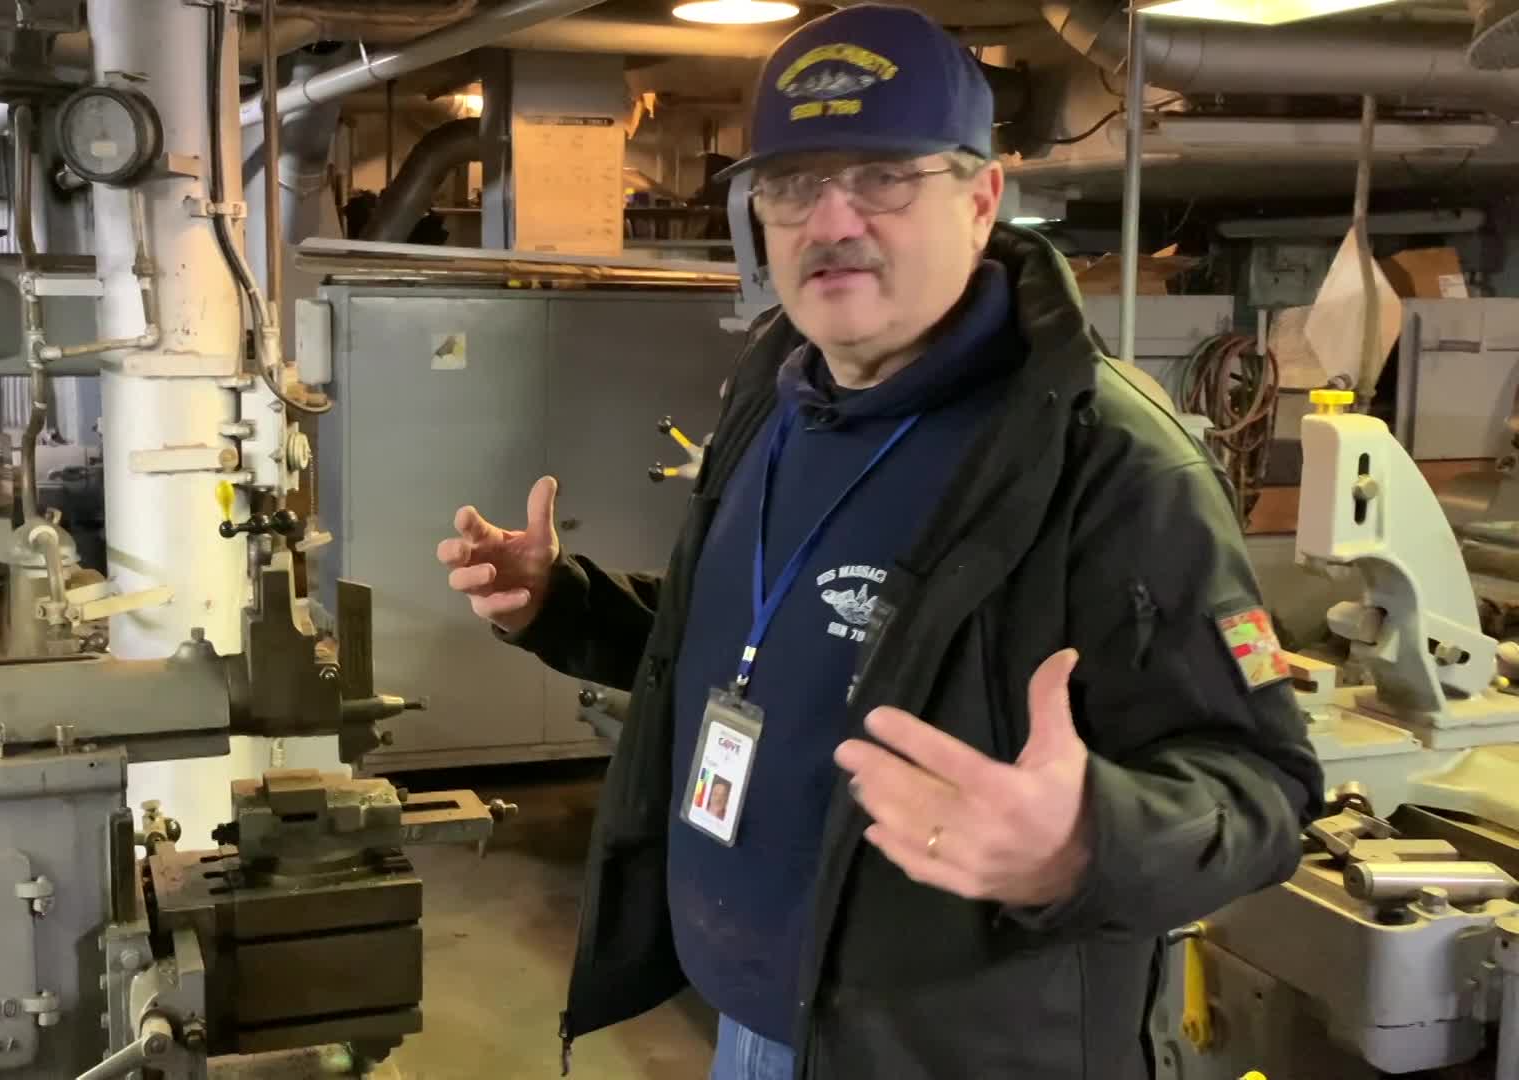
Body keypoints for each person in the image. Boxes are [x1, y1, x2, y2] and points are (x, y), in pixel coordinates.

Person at [434, 5, 1325, 1077]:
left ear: (983, 197)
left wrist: (1087, 842)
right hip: (761, 1028)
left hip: (955, 1050)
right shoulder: (774, 393)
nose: (832, 220)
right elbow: (754, 650)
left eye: (883, 177)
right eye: (794, 184)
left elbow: (1266, 790)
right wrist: (563, 606)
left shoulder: (1107, 464)